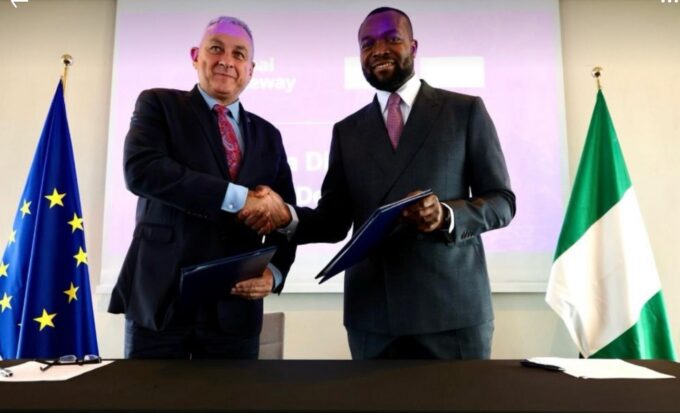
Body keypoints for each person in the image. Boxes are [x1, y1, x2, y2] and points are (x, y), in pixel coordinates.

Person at [241, 7, 515, 360]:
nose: (379, 50)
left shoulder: (465, 111)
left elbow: (502, 201)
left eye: (392, 39)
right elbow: (334, 221)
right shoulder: (347, 131)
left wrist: (446, 215)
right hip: (373, 317)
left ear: (413, 47)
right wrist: (286, 217)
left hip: (452, 313)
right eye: (367, 44)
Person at [108, 16, 296, 359]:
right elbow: (141, 170)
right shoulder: (158, 104)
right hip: (161, 303)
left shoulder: (269, 136)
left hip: (235, 312)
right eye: (216, 49)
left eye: (239, 54)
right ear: (196, 56)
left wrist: (275, 272)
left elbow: (286, 218)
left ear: (251, 70)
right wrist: (238, 198)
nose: (227, 60)